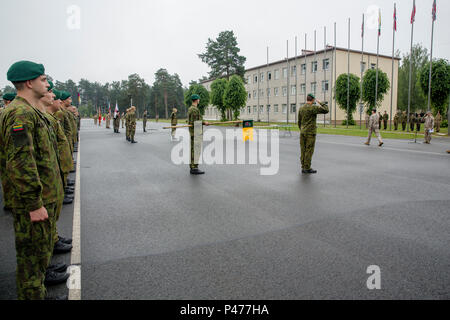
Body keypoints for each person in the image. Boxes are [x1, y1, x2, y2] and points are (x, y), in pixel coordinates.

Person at [0, 61, 65, 299]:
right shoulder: (20, 113)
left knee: (38, 258)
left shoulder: (30, 110)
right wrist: (34, 204)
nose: (47, 85)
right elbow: (20, 163)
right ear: (29, 83)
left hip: (43, 197)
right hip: (34, 202)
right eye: (43, 80)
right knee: (30, 263)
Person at [297, 93, 329, 174]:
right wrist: (320, 102)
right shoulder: (313, 108)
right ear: (313, 100)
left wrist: (301, 129)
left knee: (303, 150)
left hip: (302, 132)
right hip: (310, 133)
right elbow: (326, 110)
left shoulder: (301, 108)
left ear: (307, 99)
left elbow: (299, 121)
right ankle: (307, 167)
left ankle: (303, 166)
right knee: (309, 150)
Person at [188, 94, 209, 174]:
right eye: (198, 99)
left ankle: (193, 166)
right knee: (196, 150)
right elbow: (196, 121)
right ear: (196, 100)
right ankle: (194, 168)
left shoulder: (191, 108)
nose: (199, 100)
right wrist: (204, 122)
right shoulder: (194, 109)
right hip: (196, 132)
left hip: (194, 131)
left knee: (194, 149)